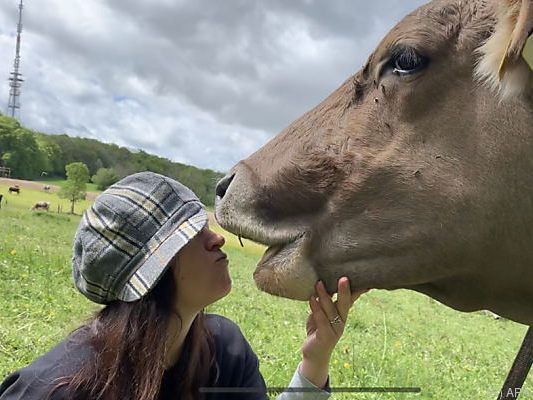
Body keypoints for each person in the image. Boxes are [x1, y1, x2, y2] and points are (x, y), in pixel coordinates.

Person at [0, 172, 367, 400]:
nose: (217, 240)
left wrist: (315, 359)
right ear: (149, 273)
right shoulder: (52, 389)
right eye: (189, 234)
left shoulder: (224, 351)